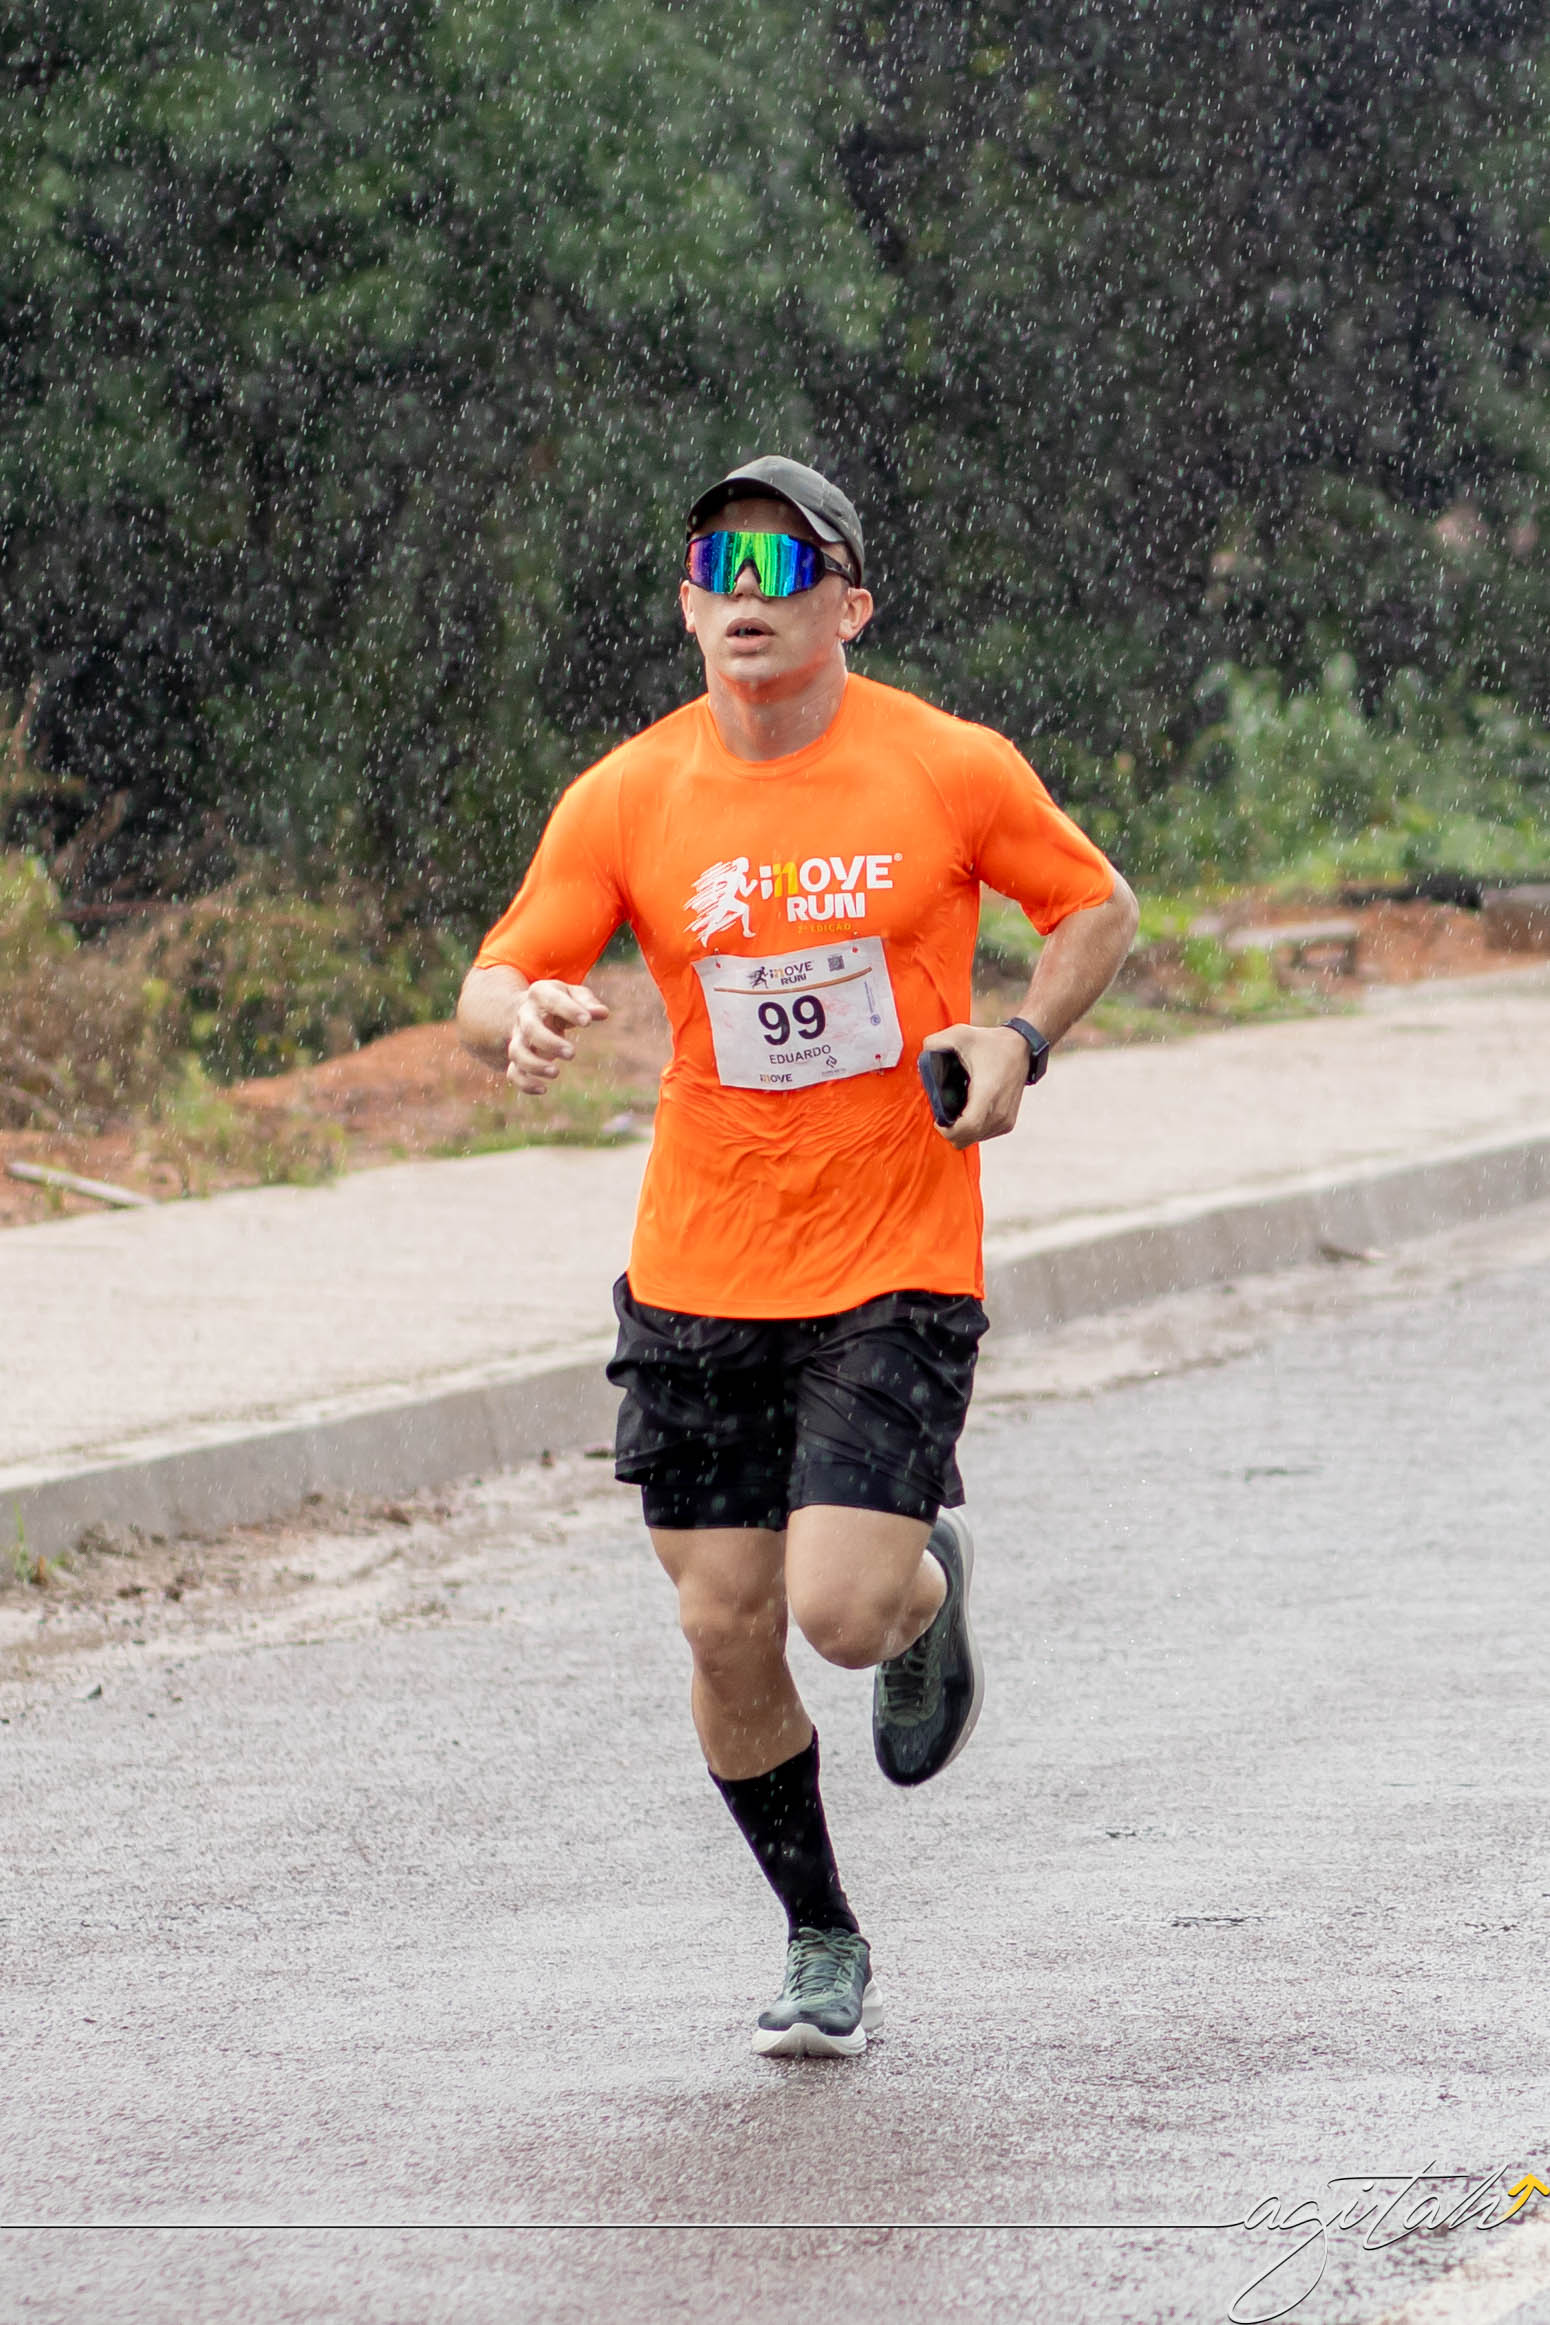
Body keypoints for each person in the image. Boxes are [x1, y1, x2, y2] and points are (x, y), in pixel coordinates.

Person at [457, 455, 1138, 2058]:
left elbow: (1095, 905)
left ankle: (917, 1593)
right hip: (699, 1263)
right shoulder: (627, 794)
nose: (746, 591)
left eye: (783, 564)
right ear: (688, 606)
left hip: (895, 1247)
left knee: (835, 1610)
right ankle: (820, 1931)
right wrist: (521, 1015)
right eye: (718, 564)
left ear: (851, 603)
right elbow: (492, 975)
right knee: (722, 1624)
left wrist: (1021, 1039)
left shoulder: (945, 765)